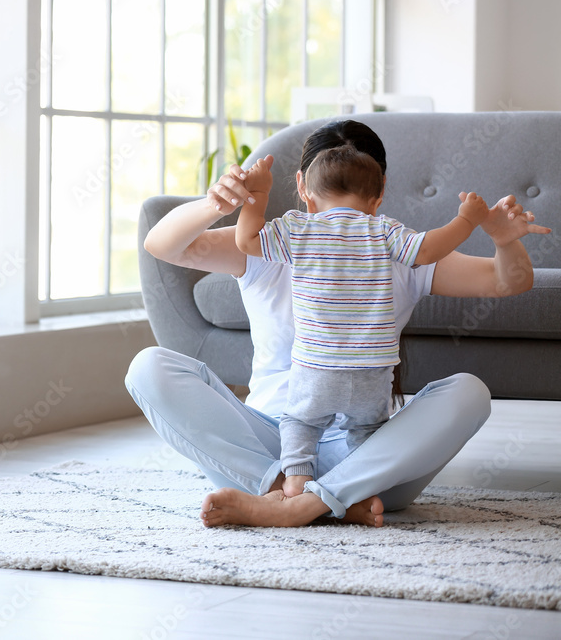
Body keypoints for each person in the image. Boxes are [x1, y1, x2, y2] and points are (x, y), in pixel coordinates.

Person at [126, 119, 550, 528]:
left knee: (469, 393)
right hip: (269, 448)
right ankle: (301, 495)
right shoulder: (271, 243)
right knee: (148, 367)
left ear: (377, 192)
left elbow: (506, 282)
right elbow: (162, 245)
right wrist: (215, 204)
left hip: (367, 458)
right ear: (304, 187)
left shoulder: (398, 250)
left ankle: (293, 505)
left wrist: (504, 240)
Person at [233, 144, 489, 498]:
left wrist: (259, 192)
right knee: (368, 430)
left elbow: (246, 241)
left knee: (300, 422)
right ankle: (358, 486)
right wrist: (467, 220)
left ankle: (295, 480)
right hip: (372, 370)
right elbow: (428, 250)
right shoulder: (384, 231)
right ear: (377, 196)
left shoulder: (299, 229)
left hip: (317, 367)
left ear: (306, 192)